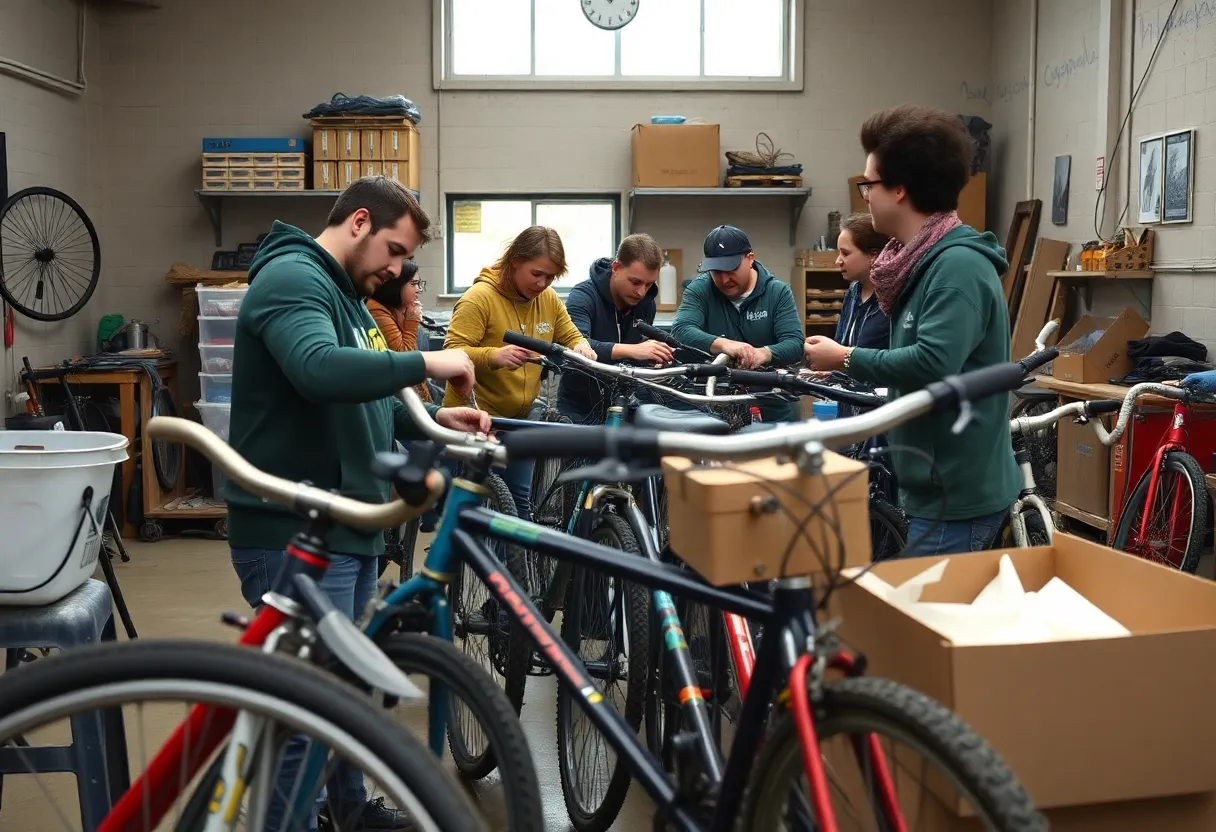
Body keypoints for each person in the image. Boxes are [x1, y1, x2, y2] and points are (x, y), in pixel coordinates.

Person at [226, 175, 490, 831]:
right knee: (309, 705)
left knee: (345, 691)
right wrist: (429, 363)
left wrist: (429, 421)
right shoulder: (293, 278)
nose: (399, 270)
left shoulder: (345, 295)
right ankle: (297, 822)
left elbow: (365, 398)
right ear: (360, 223)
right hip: (295, 527)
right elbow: (317, 368)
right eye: (395, 251)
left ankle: (346, 809)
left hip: (351, 523)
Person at [803, 105, 1018, 558]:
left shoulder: (956, 267)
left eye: (869, 184)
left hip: (957, 494)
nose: (864, 195)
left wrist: (845, 356)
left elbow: (932, 362)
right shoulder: (912, 264)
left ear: (899, 189)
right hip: (929, 485)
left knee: (933, 622)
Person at [443, 225, 596, 519]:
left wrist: (581, 347)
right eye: (536, 274)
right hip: (475, 418)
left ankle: (513, 566)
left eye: (550, 277)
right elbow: (451, 353)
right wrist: (493, 356)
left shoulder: (548, 299)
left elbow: (571, 334)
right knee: (469, 510)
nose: (542, 283)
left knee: (518, 506)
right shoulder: (480, 298)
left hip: (520, 420)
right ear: (515, 262)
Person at [671, 224, 805, 422]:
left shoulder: (777, 293)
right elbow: (681, 330)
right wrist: (726, 345)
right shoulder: (699, 290)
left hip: (770, 404)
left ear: (750, 258)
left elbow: (795, 343)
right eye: (717, 271)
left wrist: (762, 353)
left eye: (731, 269)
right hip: (713, 404)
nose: (724, 279)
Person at [555, 233, 674, 424]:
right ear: (616, 268)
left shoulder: (646, 303)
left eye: (649, 284)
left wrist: (654, 360)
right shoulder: (583, 296)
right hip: (579, 409)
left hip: (625, 407)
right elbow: (574, 347)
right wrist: (635, 350)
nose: (641, 292)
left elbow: (636, 359)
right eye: (635, 282)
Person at [365, 261, 441, 403]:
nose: (419, 290)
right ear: (395, 286)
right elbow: (404, 358)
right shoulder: (376, 310)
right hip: (396, 397)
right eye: (413, 284)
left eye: (420, 284)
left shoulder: (401, 308)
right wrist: (412, 321)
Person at [834, 212, 891, 352]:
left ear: (874, 255)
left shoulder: (891, 298)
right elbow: (840, 343)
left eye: (845, 253)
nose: (838, 261)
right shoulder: (853, 291)